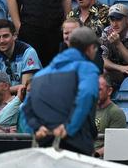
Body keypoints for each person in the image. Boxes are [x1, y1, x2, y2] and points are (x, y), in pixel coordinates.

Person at [21, 26, 101, 154]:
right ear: (90, 48)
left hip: (44, 144)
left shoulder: (41, 74)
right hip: (75, 143)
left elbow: (25, 108)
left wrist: (36, 128)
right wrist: (69, 128)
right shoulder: (87, 68)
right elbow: (87, 94)